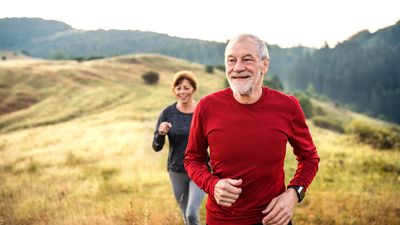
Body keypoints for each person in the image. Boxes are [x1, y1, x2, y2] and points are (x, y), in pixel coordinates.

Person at [184, 34, 320, 225]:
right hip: (222, 220)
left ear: (265, 65)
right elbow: (192, 159)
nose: (238, 67)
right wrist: (212, 184)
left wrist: (293, 193)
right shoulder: (207, 106)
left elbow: (309, 158)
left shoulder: (288, 106)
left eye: (247, 59)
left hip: (273, 221)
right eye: (231, 61)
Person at [152, 71, 205, 225]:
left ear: (193, 90)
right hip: (176, 170)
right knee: (185, 216)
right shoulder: (167, 113)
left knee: (192, 214)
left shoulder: (202, 110)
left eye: (186, 88)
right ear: (174, 91)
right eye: (179, 88)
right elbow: (156, 147)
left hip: (199, 168)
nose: (182, 92)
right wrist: (161, 134)